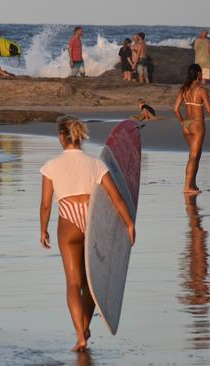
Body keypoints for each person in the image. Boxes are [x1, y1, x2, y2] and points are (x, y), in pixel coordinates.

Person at [39, 116, 135, 352]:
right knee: (94, 278)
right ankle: (85, 324)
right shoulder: (96, 164)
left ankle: (81, 336)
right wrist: (129, 224)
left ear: (62, 137)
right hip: (91, 219)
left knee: (73, 282)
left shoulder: (51, 165)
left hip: (68, 220)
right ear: (79, 136)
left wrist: (43, 229)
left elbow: (45, 205)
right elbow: (116, 197)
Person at [173, 64, 210, 194]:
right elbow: (209, 110)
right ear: (197, 74)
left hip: (186, 125)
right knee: (194, 156)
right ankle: (187, 186)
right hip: (197, 125)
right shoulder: (201, 90)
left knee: (195, 155)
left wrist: (182, 122)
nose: (202, 75)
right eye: (201, 73)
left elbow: (175, 109)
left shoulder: (184, 89)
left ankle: (193, 184)